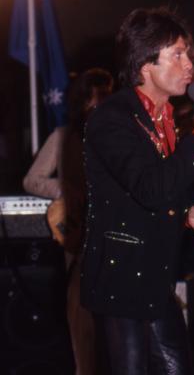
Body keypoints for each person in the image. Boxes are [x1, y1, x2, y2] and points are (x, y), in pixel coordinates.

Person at [80, 7, 194, 375]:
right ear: (146, 65)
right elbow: (148, 188)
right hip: (120, 279)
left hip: (155, 280)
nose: (189, 63)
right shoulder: (112, 118)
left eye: (188, 54)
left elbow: (161, 190)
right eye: (176, 54)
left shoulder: (164, 117)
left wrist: (187, 214)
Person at [23, 67, 114, 375]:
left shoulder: (118, 133)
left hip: (114, 238)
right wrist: (66, 188)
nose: (102, 101)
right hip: (78, 237)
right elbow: (32, 180)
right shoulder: (63, 136)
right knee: (83, 323)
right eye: (96, 95)